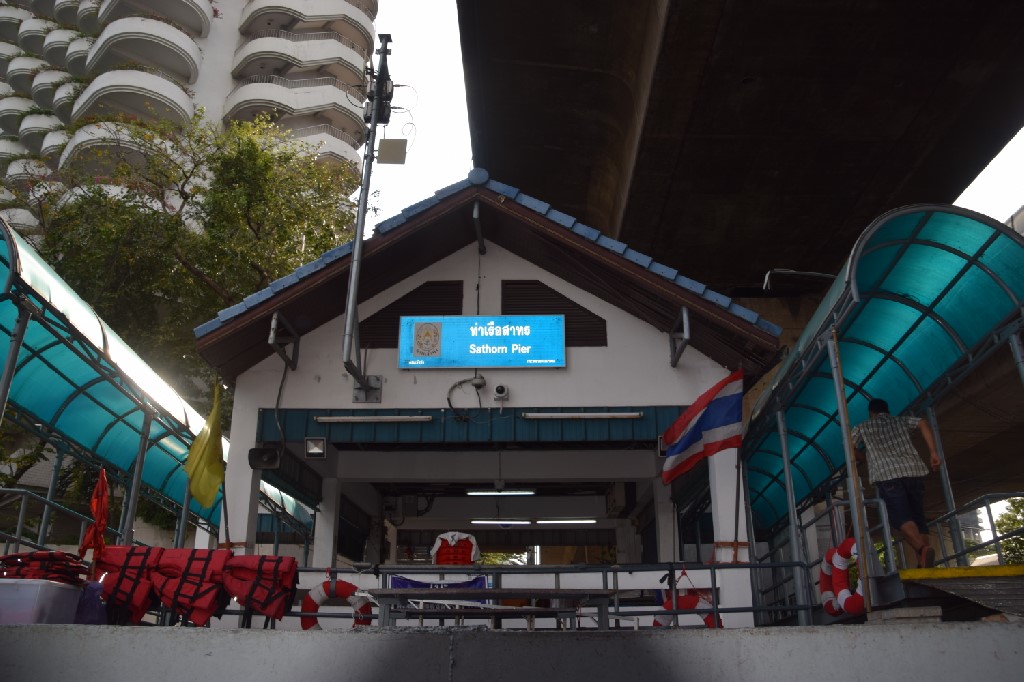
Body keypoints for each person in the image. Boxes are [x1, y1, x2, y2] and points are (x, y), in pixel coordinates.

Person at [850, 398, 940, 568]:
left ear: (871, 413)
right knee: (918, 519)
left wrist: (864, 457)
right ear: (887, 410)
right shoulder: (900, 420)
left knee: (901, 520)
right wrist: (933, 452)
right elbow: (922, 422)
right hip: (914, 471)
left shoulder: (862, 427)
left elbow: (849, 447)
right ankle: (924, 564)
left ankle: (923, 550)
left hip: (887, 475)